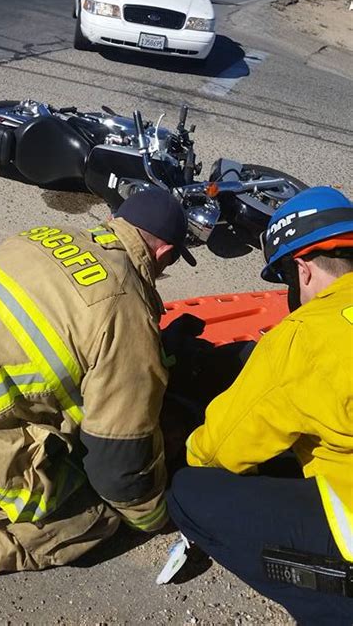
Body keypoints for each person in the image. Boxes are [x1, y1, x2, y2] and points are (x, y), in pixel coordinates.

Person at [0, 188, 197, 581]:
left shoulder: (40, 235)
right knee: (90, 514)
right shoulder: (124, 307)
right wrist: (153, 515)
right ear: (164, 253)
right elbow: (117, 465)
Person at [167, 186, 353, 626]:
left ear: (303, 270)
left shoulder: (307, 335)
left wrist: (181, 456)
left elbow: (219, 450)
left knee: (189, 493)